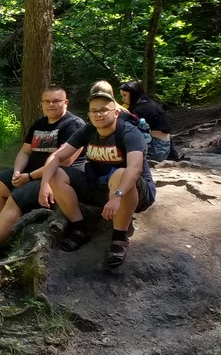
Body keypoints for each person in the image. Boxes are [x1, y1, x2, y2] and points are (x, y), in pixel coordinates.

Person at [37, 84, 157, 269]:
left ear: (115, 112)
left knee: (120, 173)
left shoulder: (129, 132)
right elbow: (57, 156)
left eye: (103, 110)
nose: (98, 115)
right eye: (94, 111)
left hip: (132, 191)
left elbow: (134, 169)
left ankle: (119, 238)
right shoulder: (88, 130)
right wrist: (45, 184)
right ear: (89, 114)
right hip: (99, 186)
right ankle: (79, 228)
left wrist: (117, 196)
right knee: (55, 173)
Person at [0, 86, 86, 263]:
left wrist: (29, 177)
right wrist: (18, 172)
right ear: (41, 103)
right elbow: (25, 151)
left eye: (56, 101)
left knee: (17, 197)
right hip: (31, 172)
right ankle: (0, 230)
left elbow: (64, 162)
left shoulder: (74, 125)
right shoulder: (39, 124)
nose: (51, 105)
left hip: (56, 177)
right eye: (47, 101)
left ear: (65, 102)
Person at [119, 79, 173, 162]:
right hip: (164, 147)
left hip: (156, 150)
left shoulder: (141, 110)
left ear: (133, 94)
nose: (123, 99)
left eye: (124, 95)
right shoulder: (149, 104)